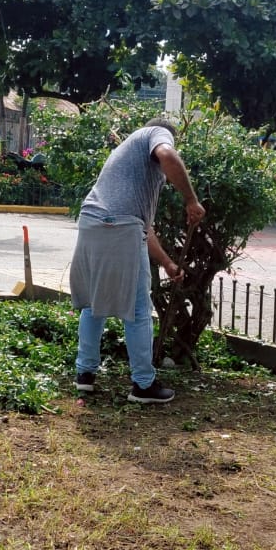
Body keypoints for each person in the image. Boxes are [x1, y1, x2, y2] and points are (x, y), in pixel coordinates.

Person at [69, 118, 206, 403]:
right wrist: (191, 200)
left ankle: (85, 375)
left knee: (94, 303)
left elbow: (143, 228)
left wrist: (167, 263)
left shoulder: (129, 163)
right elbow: (167, 155)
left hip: (93, 220)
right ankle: (143, 384)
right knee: (139, 308)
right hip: (120, 225)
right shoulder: (157, 132)